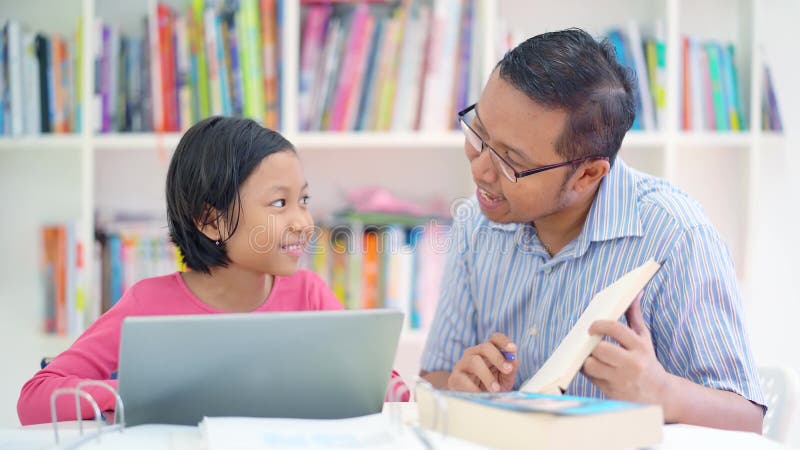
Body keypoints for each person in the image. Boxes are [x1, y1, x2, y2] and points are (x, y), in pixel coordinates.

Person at [419, 28, 765, 432]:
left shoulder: (675, 236)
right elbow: (435, 380)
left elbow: (747, 421)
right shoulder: (475, 223)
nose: (479, 168)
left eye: (510, 161)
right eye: (478, 132)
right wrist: (466, 392)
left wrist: (663, 392)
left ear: (588, 174)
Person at [18, 117, 408, 425]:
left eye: (303, 199)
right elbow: (36, 398)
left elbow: (378, 385)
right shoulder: (148, 304)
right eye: (279, 203)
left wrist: (395, 393)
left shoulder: (309, 294)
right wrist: (134, 394)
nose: (303, 221)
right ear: (210, 221)